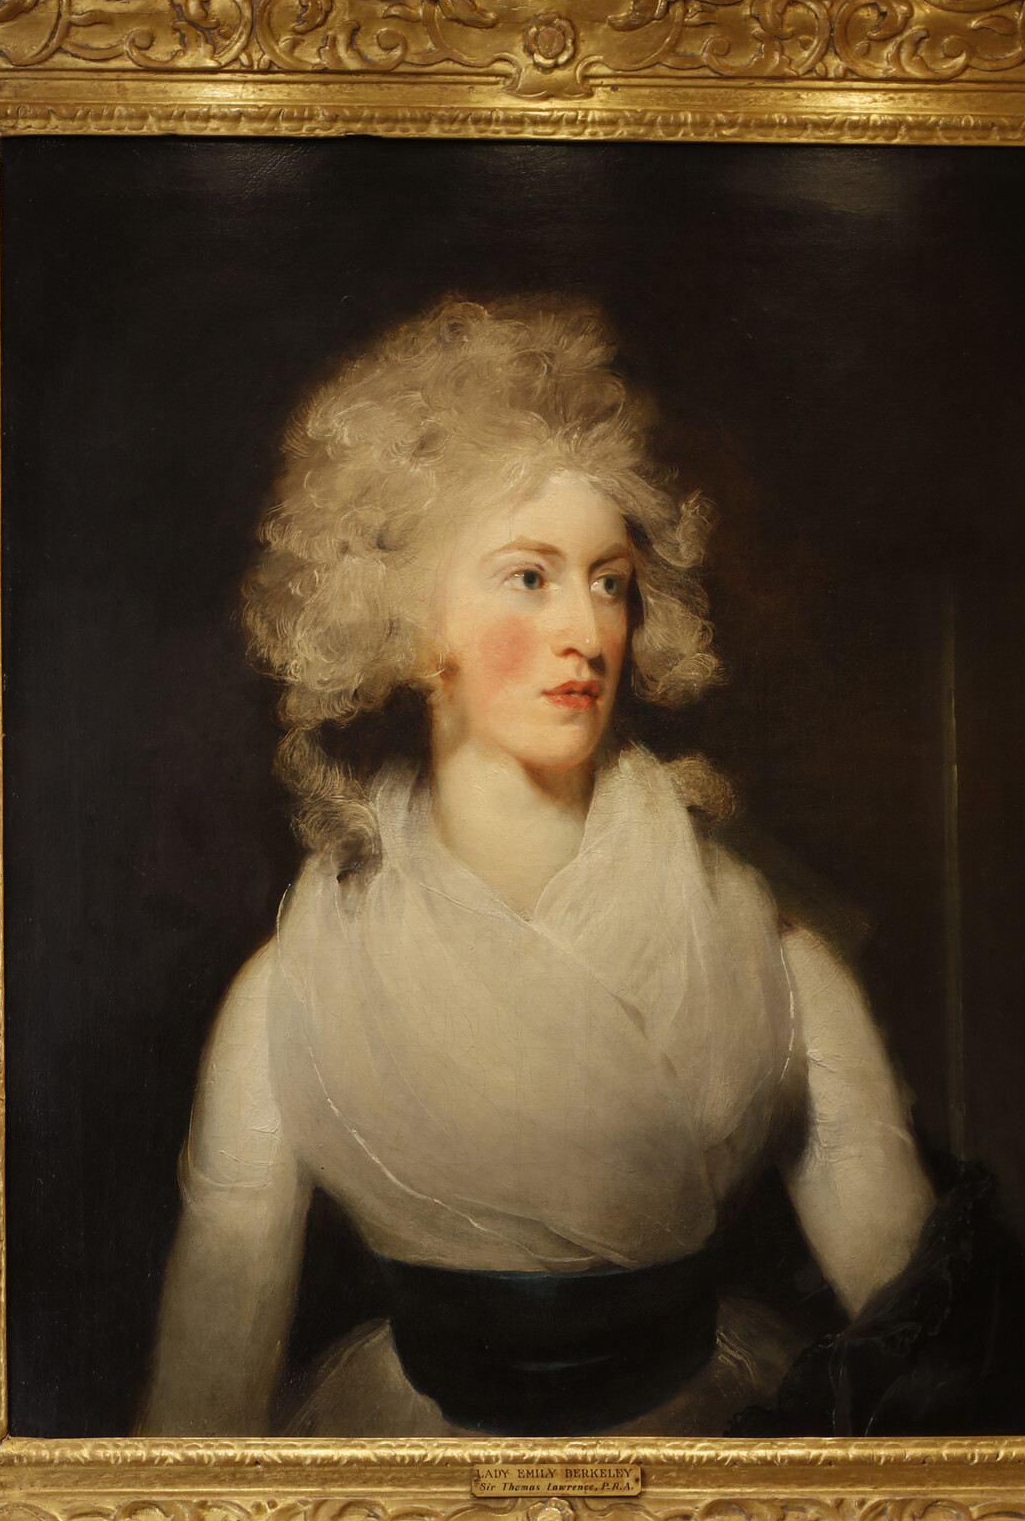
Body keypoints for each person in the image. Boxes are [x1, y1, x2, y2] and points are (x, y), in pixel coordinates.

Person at [136, 292, 933, 1440]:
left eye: (609, 580)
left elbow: (917, 1337)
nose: (587, 630)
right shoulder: (296, 990)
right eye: (529, 576)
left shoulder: (769, 954)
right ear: (412, 622)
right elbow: (201, 1408)